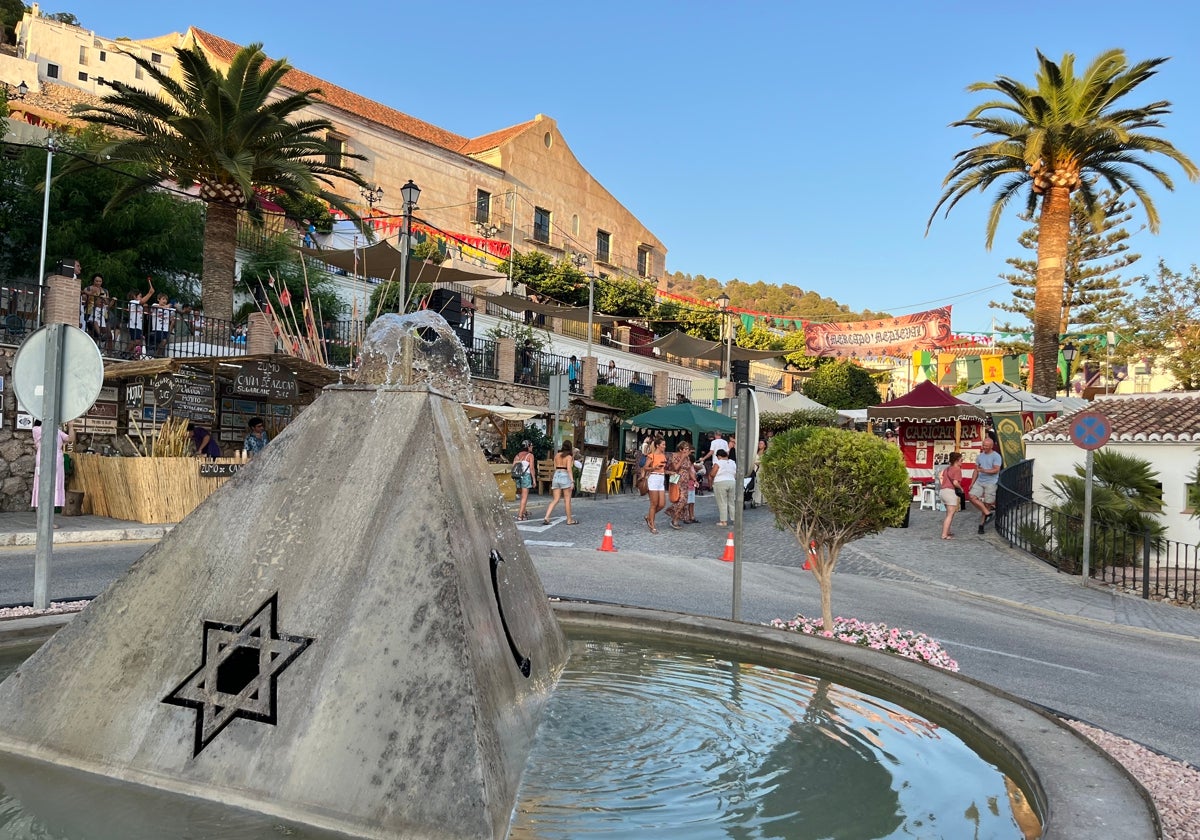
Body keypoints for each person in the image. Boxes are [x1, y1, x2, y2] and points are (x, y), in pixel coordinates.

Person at [31, 420, 75, 527]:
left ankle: (48, 521)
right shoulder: (37, 430)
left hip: (57, 464)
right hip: (43, 463)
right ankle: (41, 521)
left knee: (53, 491)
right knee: (41, 489)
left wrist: (71, 426)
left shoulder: (57, 431)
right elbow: (47, 432)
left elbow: (70, 439)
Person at [970, 437, 1003, 534]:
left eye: (986, 446)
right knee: (972, 496)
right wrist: (972, 483)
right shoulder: (980, 456)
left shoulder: (996, 456)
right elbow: (976, 470)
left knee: (988, 504)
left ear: (991, 446)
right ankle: (987, 513)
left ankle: (982, 524)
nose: (984, 447)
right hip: (980, 481)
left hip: (991, 482)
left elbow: (996, 470)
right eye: (983, 445)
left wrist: (984, 470)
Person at [542, 440, 578, 525]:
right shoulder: (569, 457)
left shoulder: (557, 455)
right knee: (567, 500)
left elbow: (555, 467)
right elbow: (569, 469)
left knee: (555, 499)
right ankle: (569, 520)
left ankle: (546, 517)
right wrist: (572, 481)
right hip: (565, 475)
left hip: (556, 475)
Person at [665, 441, 695, 529]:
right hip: (677, 481)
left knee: (684, 501)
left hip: (685, 482)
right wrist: (682, 458)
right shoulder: (675, 456)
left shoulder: (688, 458)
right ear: (680, 449)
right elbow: (676, 468)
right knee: (681, 500)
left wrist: (694, 480)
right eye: (685, 449)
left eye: (688, 449)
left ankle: (674, 516)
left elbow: (689, 469)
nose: (687, 451)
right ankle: (675, 519)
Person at [938, 452, 967, 540]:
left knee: (948, 513)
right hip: (950, 492)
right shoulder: (957, 469)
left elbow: (941, 478)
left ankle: (947, 531)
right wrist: (961, 488)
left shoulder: (947, 469)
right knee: (950, 514)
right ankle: (944, 534)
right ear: (957, 460)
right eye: (961, 459)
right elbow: (955, 482)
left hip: (943, 491)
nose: (962, 461)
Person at [642, 437, 667, 533]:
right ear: (657, 445)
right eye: (663, 445)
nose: (664, 446)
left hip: (661, 478)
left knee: (662, 504)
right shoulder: (651, 455)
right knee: (654, 503)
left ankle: (649, 517)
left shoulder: (663, 456)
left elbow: (663, 469)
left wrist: (670, 472)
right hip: (654, 478)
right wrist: (654, 467)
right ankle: (652, 524)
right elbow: (645, 467)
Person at [709, 448, 738, 527]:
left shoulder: (718, 463)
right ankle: (735, 519)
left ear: (718, 456)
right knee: (731, 502)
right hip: (732, 481)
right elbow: (735, 473)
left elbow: (712, 474)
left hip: (720, 482)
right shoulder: (732, 462)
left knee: (722, 502)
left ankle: (723, 521)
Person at [127, 279, 154, 352]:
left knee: (135, 341)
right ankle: (126, 353)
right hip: (133, 325)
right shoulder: (132, 302)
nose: (141, 298)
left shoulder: (139, 305)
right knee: (136, 341)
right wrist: (149, 293)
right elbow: (142, 301)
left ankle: (129, 353)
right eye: (140, 296)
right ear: (134, 296)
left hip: (138, 325)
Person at [512, 440, 535, 521]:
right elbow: (531, 468)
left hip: (518, 477)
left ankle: (524, 512)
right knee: (524, 497)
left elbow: (513, 466)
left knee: (522, 496)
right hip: (526, 476)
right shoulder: (530, 455)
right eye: (531, 445)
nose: (532, 447)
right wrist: (534, 480)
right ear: (528, 446)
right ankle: (520, 515)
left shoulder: (517, 455)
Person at [81, 274, 107, 341]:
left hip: (101, 311)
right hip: (90, 310)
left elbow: (107, 302)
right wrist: (92, 292)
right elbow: (85, 298)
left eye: (100, 281)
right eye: (96, 281)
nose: (98, 283)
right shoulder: (88, 288)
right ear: (93, 281)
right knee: (91, 330)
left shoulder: (105, 291)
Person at [149, 293, 174, 357]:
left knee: (164, 343)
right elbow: (154, 307)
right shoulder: (155, 305)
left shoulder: (168, 309)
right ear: (158, 299)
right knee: (163, 341)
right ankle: (157, 354)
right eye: (163, 299)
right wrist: (165, 307)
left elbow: (171, 318)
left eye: (166, 299)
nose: (165, 301)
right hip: (157, 328)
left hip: (165, 328)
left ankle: (158, 354)